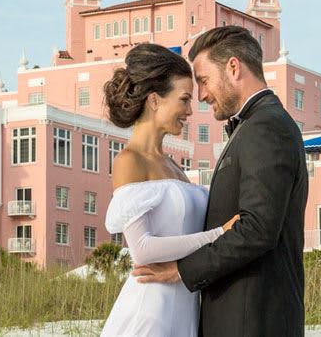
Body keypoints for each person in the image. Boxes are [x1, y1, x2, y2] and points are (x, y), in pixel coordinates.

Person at [132, 26, 310, 336]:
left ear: (233, 67)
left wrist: (182, 271)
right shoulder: (255, 125)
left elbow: (257, 229)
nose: (201, 95)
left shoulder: (265, 126)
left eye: (203, 80)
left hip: (251, 322)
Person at [100, 43, 240, 336]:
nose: (190, 110)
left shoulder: (173, 166)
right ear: (154, 100)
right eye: (185, 99)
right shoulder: (129, 161)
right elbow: (142, 249)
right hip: (150, 312)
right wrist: (219, 235)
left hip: (184, 310)